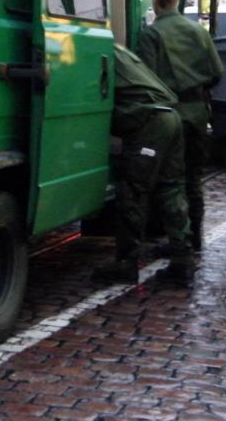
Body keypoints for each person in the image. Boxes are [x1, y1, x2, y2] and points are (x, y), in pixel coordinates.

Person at [92, 44, 193, 285]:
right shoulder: (115, 48)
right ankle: (182, 261)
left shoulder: (92, 50)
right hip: (169, 115)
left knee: (133, 191)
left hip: (151, 122)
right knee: (170, 189)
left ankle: (126, 263)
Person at [138, 0, 223, 252]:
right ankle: (196, 236)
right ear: (175, 0)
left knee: (170, 180)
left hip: (168, 115)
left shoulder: (151, 34)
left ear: (156, 1)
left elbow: (147, 80)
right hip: (197, 112)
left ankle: (179, 240)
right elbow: (217, 73)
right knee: (194, 177)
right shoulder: (198, 31)